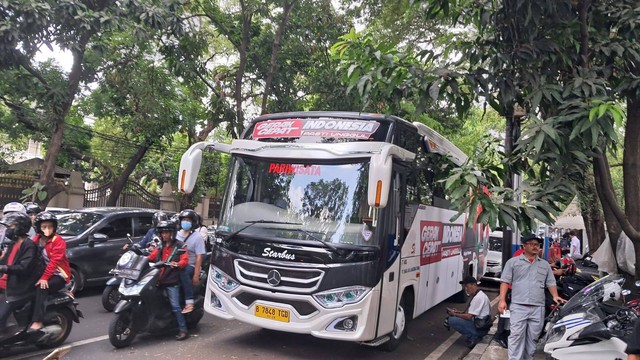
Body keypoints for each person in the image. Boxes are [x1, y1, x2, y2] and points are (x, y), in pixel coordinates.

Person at [498, 234, 565, 360]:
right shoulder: (513, 262)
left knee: (533, 338)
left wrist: (555, 296)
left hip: (537, 308)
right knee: (516, 337)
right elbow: (505, 281)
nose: (535, 247)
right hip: (518, 306)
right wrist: (502, 300)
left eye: (537, 245)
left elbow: (551, 282)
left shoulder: (544, 265)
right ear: (524, 246)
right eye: (532, 244)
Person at [147, 219, 189, 340]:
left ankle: (183, 330)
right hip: (158, 279)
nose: (164, 235)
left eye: (167, 232)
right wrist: (141, 258)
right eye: (162, 233)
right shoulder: (160, 246)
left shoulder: (180, 245)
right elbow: (151, 256)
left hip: (171, 280)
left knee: (175, 306)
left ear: (172, 233)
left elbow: (185, 260)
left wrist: (177, 264)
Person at [0, 212, 42, 329]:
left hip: (17, 288)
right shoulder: (12, 244)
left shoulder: (29, 245)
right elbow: (5, 262)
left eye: (11, 227)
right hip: (5, 284)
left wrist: (4, 268)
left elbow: (24, 268)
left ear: (20, 227)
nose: (8, 230)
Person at [30, 211, 71, 331]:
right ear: (39, 228)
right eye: (44, 227)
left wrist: (44, 278)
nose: (47, 229)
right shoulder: (36, 239)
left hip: (58, 275)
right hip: (42, 272)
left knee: (41, 287)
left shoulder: (58, 241)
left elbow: (54, 262)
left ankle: (37, 320)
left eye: (50, 226)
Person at [445, 276, 492, 348]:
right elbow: (470, 313)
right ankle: (475, 335)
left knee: (451, 320)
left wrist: (454, 314)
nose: (466, 289)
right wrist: (457, 312)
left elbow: (469, 316)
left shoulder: (478, 298)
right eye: (465, 287)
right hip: (481, 326)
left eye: (467, 286)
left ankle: (474, 336)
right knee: (455, 317)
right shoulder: (480, 294)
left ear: (474, 285)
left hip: (481, 329)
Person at [175, 209, 206, 314]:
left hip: (190, 266)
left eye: (188, 220)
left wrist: (196, 275)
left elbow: (199, 257)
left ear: (193, 222)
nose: (185, 222)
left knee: (183, 272)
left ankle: (189, 302)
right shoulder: (176, 234)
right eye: (183, 219)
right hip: (175, 264)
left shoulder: (197, 237)